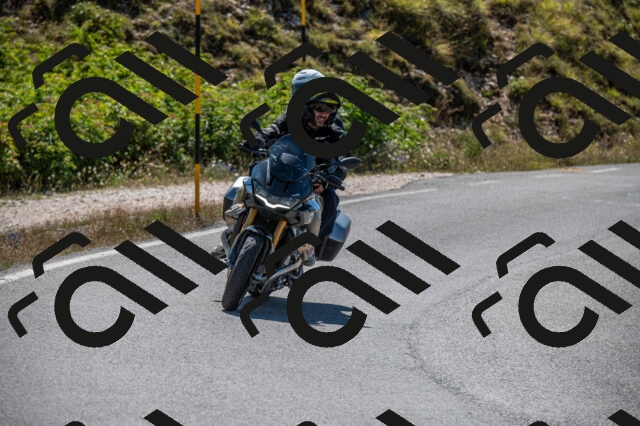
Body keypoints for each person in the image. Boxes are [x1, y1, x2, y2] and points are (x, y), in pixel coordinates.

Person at [212, 69, 348, 265]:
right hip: (284, 170)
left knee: (330, 199)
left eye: (328, 107)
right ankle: (233, 229)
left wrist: (329, 179)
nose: (324, 112)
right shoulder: (290, 118)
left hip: (313, 178)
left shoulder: (335, 131)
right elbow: (272, 131)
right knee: (250, 177)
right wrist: (256, 140)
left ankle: (310, 245)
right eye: (318, 106)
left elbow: (341, 159)